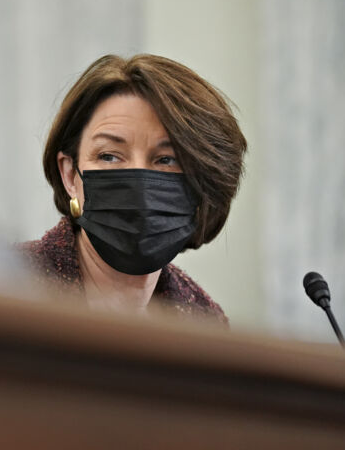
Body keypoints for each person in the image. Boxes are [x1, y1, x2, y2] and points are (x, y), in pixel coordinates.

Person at [18, 54, 247, 325]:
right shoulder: (3, 287)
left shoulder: (205, 323)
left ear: (202, 184)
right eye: (109, 156)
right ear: (70, 175)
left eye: (166, 160)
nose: (139, 184)